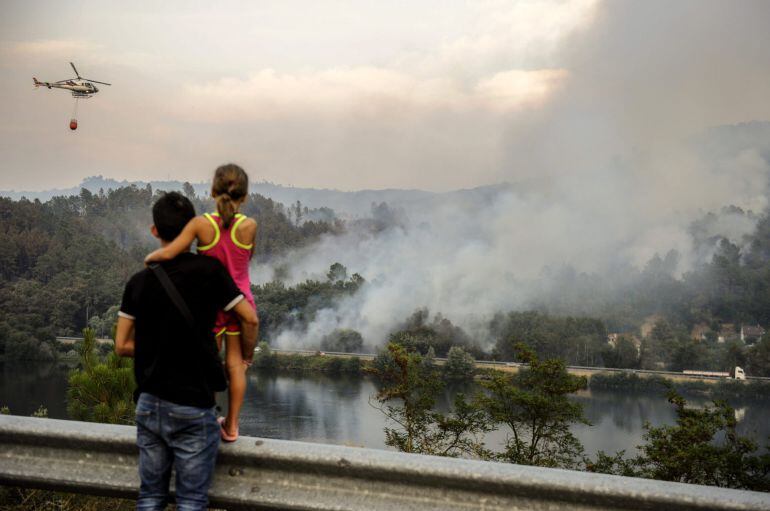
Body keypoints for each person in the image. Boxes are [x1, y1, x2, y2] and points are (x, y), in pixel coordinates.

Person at [116, 191, 258, 511]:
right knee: (191, 500)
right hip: (194, 404)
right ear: (191, 229)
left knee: (151, 496)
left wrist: (158, 344)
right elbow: (249, 319)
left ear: (155, 231)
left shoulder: (139, 281)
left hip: (149, 404)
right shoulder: (210, 272)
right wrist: (246, 356)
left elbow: (122, 345)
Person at [144, 164, 257, 442]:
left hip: (209, 302)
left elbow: (170, 252)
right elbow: (246, 260)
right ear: (244, 196)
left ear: (211, 191)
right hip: (241, 302)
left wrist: (149, 264)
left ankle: (208, 420)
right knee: (236, 365)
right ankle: (231, 426)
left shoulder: (201, 225)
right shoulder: (250, 226)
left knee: (209, 363)